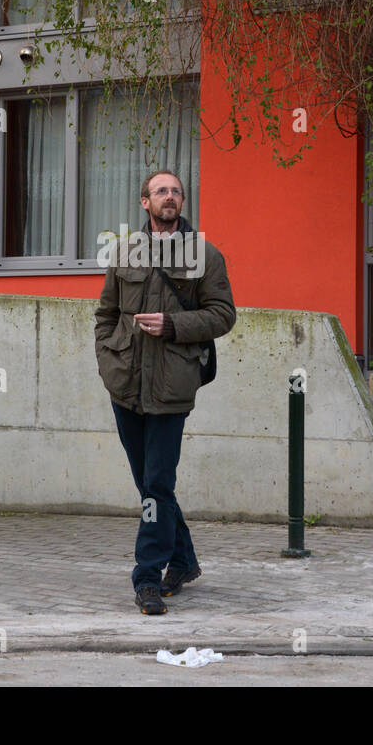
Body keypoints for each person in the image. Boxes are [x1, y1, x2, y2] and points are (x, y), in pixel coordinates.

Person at [93, 170, 236, 615]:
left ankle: (147, 579)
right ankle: (185, 560)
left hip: (172, 387)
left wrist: (173, 325)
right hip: (125, 385)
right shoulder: (123, 252)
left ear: (182, 201)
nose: (169, 197)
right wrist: (106, 363)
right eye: (160, 191)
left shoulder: (205, 255)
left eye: (175, 191)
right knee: (150, 484)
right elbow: (106, 314)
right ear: (145, 202)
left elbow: (223, 315)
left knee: (157, 484)